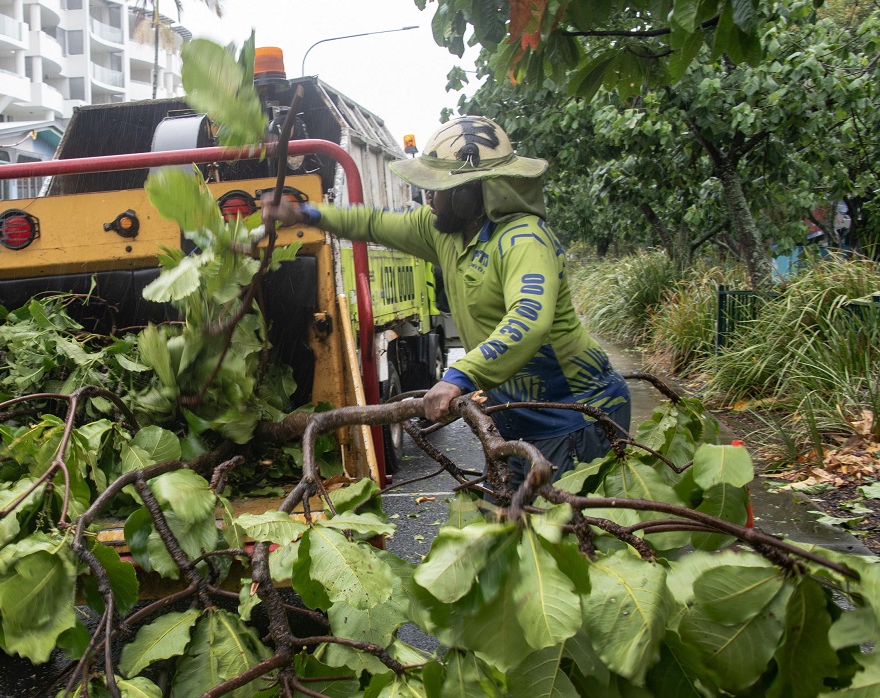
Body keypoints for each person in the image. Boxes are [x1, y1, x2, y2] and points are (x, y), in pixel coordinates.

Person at [264, 115, 631, 489]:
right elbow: (371, 222)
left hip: (576, 416)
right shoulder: (444, 233)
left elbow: (529, 319)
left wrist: (458, 377)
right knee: (507, 525)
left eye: (437, 189)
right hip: (518, 417)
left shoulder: (523, 239)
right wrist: (306, 213)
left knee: (567, 535)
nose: (428, 199)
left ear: (467, 194)